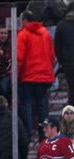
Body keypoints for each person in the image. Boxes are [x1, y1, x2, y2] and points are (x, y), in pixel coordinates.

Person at [17, 10, 56, 140]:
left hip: (28, 76)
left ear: (25, 20)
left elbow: (19, 58)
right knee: (42, 104)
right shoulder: (45, 33)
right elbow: (51, 55)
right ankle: (43, 133)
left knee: (27, 104)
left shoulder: (23, 35)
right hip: (44, 76)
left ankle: (28, 134)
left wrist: (15, 75)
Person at [55, 3, 74, 106]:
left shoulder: (61, 25)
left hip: (68, 62)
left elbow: (57, 47)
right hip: (68, 61)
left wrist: (62, 61)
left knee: (72, 88)